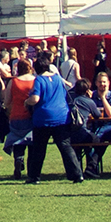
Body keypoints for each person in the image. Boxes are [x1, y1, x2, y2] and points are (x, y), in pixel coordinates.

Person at [25, 56, 83, 184]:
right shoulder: (57, 78)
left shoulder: (39, 80)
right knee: (65, 147)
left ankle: (34, 176)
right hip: (62, 117)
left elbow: (35, 99)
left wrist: (26, 101)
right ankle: (77, 174)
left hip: (43, 118)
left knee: (39, 149)